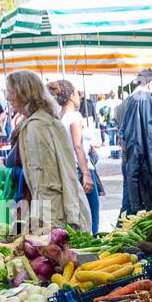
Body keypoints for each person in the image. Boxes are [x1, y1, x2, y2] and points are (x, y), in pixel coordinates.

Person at [0, 71, 87, 232]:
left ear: (23, 93)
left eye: (10, 92)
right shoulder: (36, 122)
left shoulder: (37, 126)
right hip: (44, 209)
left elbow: (48, 177)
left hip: (51, 213)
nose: (8, 97)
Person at [118, 69, 152, 216]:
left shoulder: (124, 104)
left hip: (131, 165)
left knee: (131, 209)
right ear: (151, 84)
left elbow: (122, 137)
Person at [49, 79, 98, 233]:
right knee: (91, 216)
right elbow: (78, 146)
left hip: (67, 172)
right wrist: (86, 174)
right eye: (77, 93)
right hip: (80, 170)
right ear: (71, 96)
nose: (79, 96)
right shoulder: (74, 116)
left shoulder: (58, 117)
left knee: (75, 217)